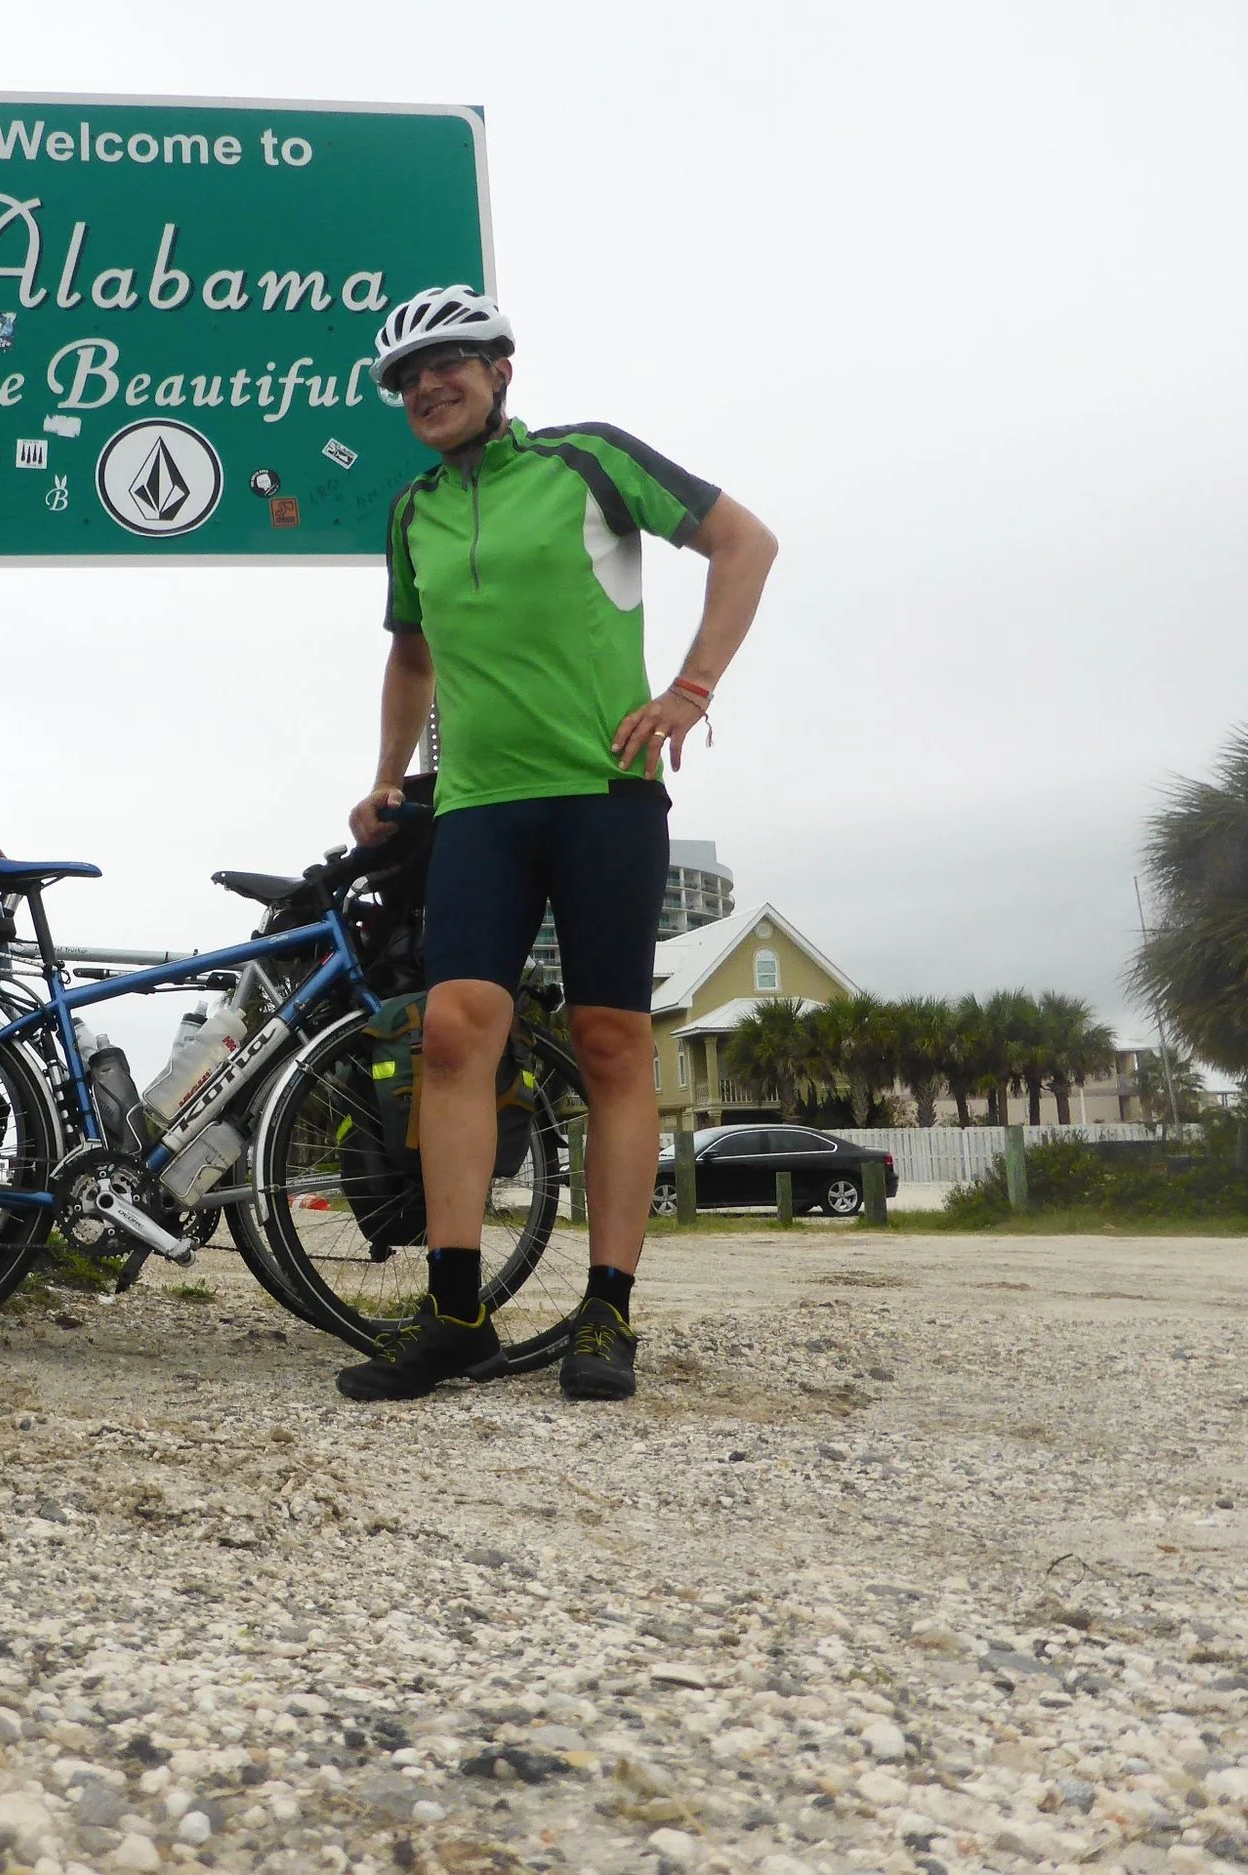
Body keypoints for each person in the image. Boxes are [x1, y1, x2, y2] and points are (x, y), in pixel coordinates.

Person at [335, 285, 777, 1404]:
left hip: (603, 792)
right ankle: (452, 1312)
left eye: (448, 365)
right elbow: (413, 655)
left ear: (499, 372)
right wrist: (387, 776)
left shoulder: (587, 462)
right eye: (405, 379)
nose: (426, 387)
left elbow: (743, 542)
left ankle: (606, 1313)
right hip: (481, 805)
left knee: (612, 1042)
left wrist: (689, 690)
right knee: (451, 1033)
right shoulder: (412, 511)